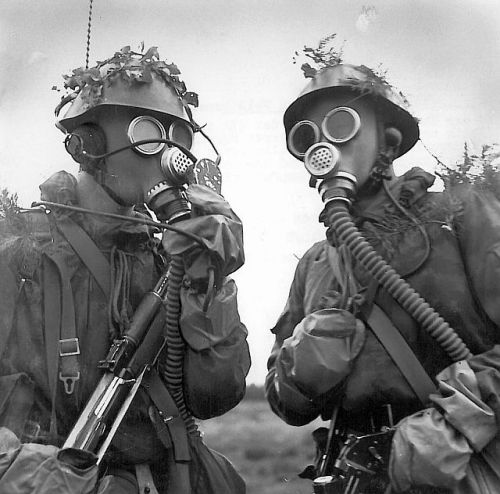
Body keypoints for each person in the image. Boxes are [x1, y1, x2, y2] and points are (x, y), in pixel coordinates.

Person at [0, 46, 250, 493]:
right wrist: (30, 475)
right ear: (88, 143)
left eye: (179, 137)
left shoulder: (166, 258)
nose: (168, 152)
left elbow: (215, 395)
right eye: (150, 133)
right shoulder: (20, 255)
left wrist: (208, 280)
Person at [265, 60, 500, 493]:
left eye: (340, 125)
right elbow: (285, 405)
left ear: (388, 140)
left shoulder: (460, 215)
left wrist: (451, 427)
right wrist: (301, 370)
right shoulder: (316, 264)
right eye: (306, 137)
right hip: (354, 475)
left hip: (460, 472)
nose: (322, 146)